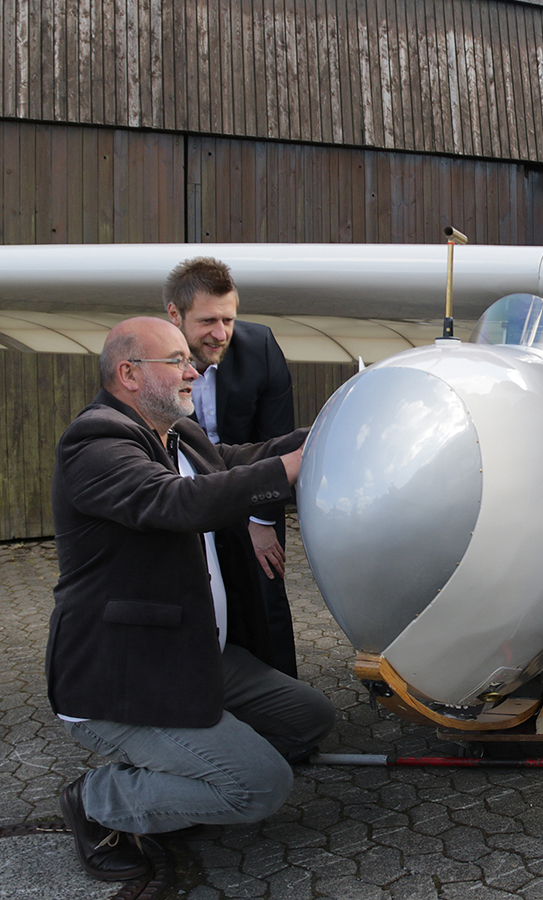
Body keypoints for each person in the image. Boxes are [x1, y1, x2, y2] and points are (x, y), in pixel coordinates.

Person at [47, 316, 334, 882]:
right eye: (177, 360)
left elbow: (232, 463)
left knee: (309, 720)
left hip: (194, 653)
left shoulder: (174, 432)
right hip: (125, 677)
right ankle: (96, 800)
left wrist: (324, 435)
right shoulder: (95, 443)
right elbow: (178, 502)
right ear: (128, 374)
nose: (195, 370)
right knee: (260, 785)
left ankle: (189, 770)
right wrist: (288, 470)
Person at [164, 257, 299, 678]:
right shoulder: (150, 358)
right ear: (175, 315)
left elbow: (276, 442)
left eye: (229, 319)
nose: (220, 333)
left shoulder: (260, 347)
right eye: (207, 321)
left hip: (251, 490)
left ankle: (285, 715)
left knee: (265, 591)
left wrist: (261, 523)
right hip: (179, 493)